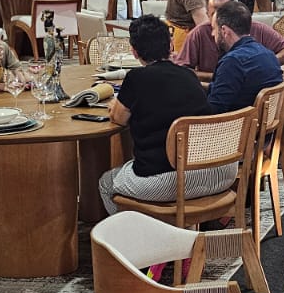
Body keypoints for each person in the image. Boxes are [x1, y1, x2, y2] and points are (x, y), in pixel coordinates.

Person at [98, 15, 232, 216]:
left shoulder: (136, 79)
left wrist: (114, 106)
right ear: (170, 45)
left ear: (134, 51)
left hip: (171, 180)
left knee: (106, 183)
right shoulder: (188, 75)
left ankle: (135, 233)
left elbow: (119, 118)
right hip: (217, 172)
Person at [175, 0, 284, 80]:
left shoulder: (256, 28)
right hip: (215, 88)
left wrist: (265, 64)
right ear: (207, 14)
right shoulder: (199, 33)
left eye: (226, 11)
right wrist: (217, 76)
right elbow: (181, 70)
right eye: (214, 14)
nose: (220, 18)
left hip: (251, 93)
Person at [205, 0, 284, 113]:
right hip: (260, 121)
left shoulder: (232, 62)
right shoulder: (268, 54)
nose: (212, 34)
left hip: (237, 123)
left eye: (214, 29)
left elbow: (214, 110)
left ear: (224, 31)